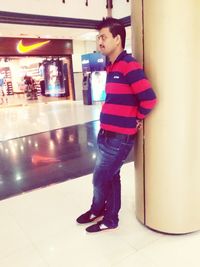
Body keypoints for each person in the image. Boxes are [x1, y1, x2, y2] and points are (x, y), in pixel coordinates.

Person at [76, 17, 157, 233]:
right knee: (112, 176)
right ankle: (105, 215)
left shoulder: (129, 65)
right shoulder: (112, 66)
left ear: (118, 39)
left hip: (119, 137)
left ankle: (101, 212)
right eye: (98, 37)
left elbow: (149, 98)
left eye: (103, 37)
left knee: (99, 178)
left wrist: (136, 118)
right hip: (105, 134)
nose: (99, 42)